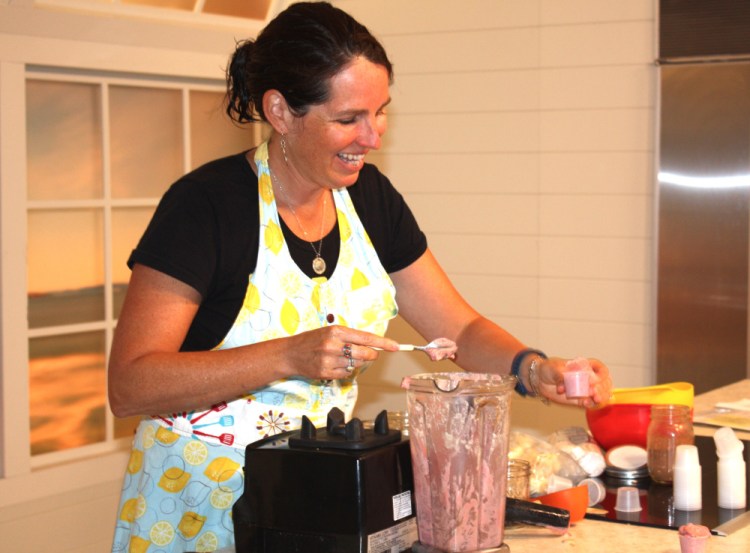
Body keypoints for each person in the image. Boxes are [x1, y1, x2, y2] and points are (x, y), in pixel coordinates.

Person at [108, 2, 613, 551]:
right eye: (349, 119)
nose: (372, 137)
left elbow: (460, 331)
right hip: (196, 513)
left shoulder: (371, 200)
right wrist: (288, 355)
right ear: (280, 111)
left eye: (381, 112)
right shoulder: (206, 206)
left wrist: (533, 370)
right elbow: (130, 384)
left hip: (319, 503)